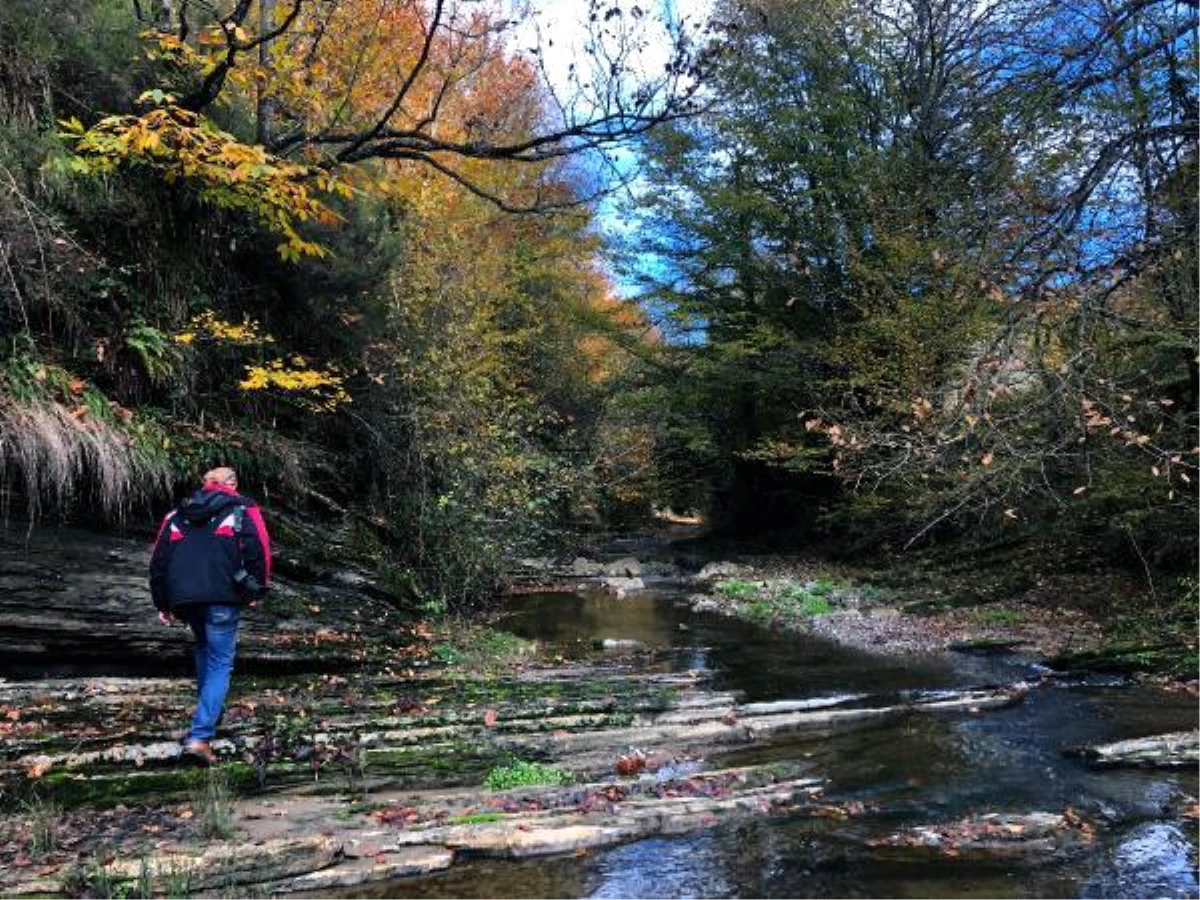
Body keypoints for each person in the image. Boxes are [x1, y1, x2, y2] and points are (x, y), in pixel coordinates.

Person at [149, 467, 271, 765]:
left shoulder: (176, 515)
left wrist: (162, 604)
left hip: (185, 600)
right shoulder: (244, 508)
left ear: (205, 484)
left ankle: (208, 720)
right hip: (223, 597)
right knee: (220, 662)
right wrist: (255, 591)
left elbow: (158, 562)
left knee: (205, 649)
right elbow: (260, 550)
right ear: (232, 484)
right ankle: (201, 736)